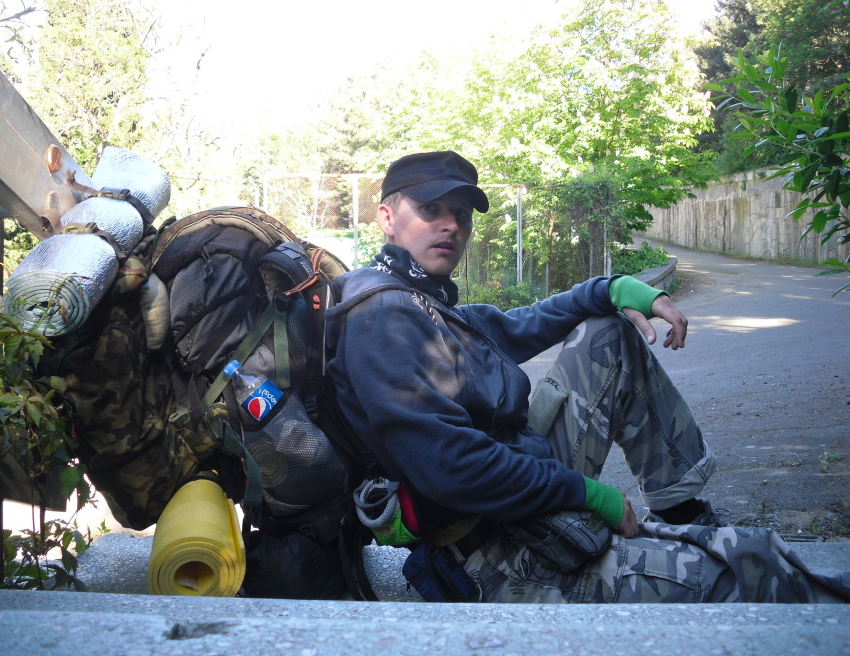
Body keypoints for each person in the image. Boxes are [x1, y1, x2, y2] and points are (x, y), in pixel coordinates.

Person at [324, 150, 848, 603]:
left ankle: (685, 513)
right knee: (750, 566)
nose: (451, 225)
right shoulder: (383, 316)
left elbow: (522, 324)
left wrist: (615, 287)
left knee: (608, 334)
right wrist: (588, 494)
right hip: (493, 553)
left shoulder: (427, 301)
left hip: (517, 486)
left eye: (460, 213)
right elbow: (453, 469)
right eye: (430, 209)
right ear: (388, 217)